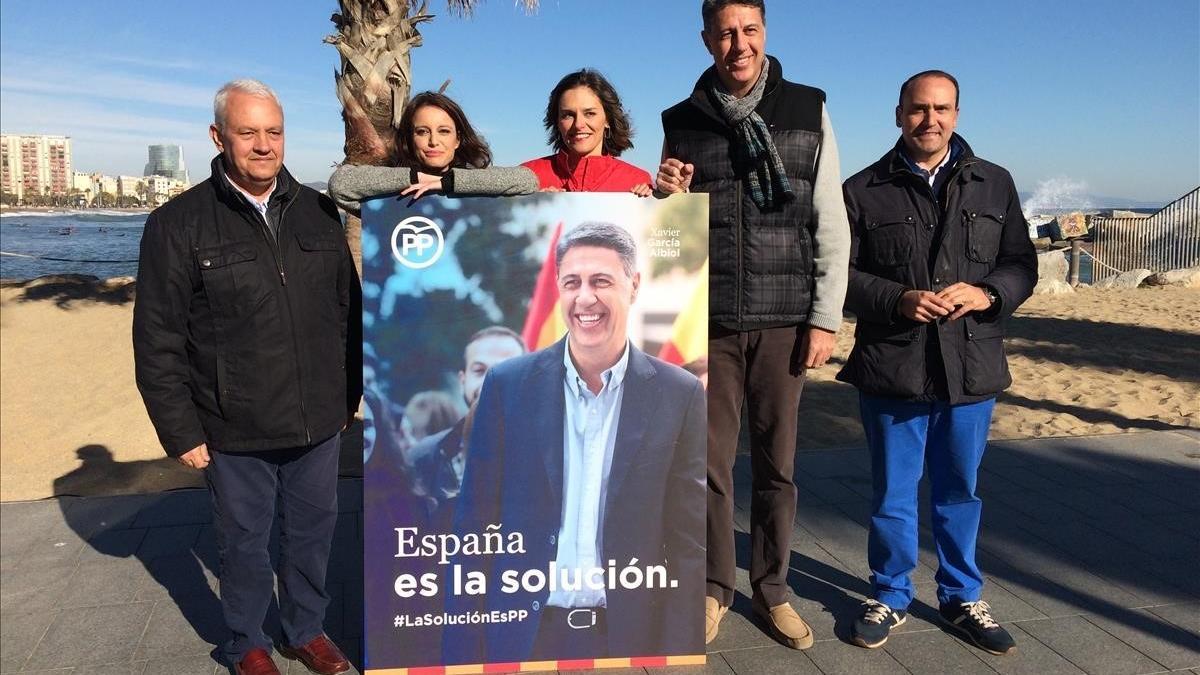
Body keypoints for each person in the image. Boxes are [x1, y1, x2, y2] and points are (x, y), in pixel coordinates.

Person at [132, 79, 360, 675]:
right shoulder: (177, 224)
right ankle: (247, 643)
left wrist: (347, 395)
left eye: (274, 131)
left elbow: (348, 310)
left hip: (317, 418)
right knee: (244, 547)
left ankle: (304, 631)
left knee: (312, 537)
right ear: (219, 136)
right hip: (233, 423)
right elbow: (157, 337)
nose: (264, 145)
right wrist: (180, 430)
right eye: (248, 131)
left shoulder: (318, 211)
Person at [655, 0, 850, 650]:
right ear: (706, 38)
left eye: (750, 30)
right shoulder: (680, 122)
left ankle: (773, 589)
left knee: (778, 466)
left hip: (785, 320)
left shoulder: (808, 107)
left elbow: (831, 224)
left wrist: (824, 317)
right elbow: (667, 227)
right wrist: (664, 195)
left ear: (765, 33)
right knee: (708, 466)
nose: (738, 43)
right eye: (725, 32)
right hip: (706, 320)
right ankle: (715, 587)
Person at [839, 70, 1037, 654]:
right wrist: (895, 299)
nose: (931, 120)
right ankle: (891, 594)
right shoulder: (862, 189)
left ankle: (959, 597)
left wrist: (987, 294)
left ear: (957, 112)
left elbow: (1021, 263)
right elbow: (840, 279)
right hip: (892, 366)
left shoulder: (994, 183)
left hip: (971, 366)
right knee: (893, 495)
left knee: (959, 491)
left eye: (942, 109)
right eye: (918, 109)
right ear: (898, 113)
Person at [447, 222, 706, 664]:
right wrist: (461, 648)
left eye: (601, 281)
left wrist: (680, 646)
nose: (585, 297)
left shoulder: (679, 393)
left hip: (629, 635)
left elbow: (688, 537)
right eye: (572, 282)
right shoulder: (507, 385)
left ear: (634, 285)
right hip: (522, 632)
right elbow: (474, 524)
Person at [327, 91, 539, 211]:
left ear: (457, 140)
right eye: (422, 132)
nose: (433, 141)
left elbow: (527, 179)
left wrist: (446, 183)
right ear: (410, 139)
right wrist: (416, 178)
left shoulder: (476, 184)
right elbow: (340, 185)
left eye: (444, 131)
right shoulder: (390, 193)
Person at [403, 326, 526, 529]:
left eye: (507, 370)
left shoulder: (555, 453)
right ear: (463, 381)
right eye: (479, 370)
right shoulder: (423, 458)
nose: (491, 381)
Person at [522, 69, 653, 194]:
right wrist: (531, 209)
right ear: (557, 121)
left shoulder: (638, 181)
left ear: (608, 119)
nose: (578, 125)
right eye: (568, 115)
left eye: (590, 113)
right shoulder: (527, 177)